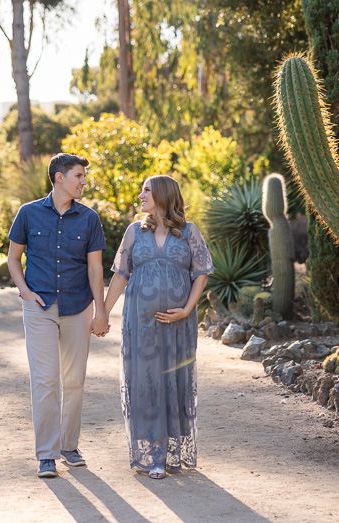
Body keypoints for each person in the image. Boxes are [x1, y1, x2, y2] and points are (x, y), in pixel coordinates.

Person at [102, 175, 213, 479]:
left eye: (146, 190)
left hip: (179, 325)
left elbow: (202, 272)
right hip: (140, 323)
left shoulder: (189, 231)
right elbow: (120, 275)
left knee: (175, 381)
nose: (141, 195)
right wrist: (103, 312)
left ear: (163, 194)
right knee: (146, 382)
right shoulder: (134, 232)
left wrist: (186, 310)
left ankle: (170, 452)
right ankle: (155, 456)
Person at [7, 153, 107, 479]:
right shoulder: (28, 213)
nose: (84, 181)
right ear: (59, 177)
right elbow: (13, 258)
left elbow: (95, 269)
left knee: (74, 380)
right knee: (45, 380)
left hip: (78, 307)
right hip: (40, 307)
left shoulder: (89, 218)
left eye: (84, 176)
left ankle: (69, 446)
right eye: (79, 175)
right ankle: (47, 454)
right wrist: (24, 290)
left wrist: (101, 310)